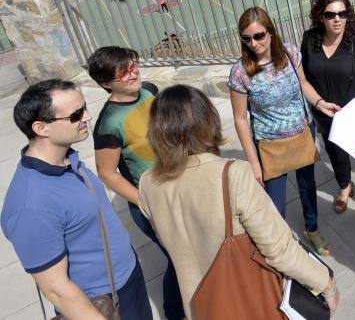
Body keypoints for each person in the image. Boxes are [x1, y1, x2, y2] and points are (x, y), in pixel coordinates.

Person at [139, 85, 339, 318]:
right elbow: (278, 248)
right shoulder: (233, 174)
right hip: (250, 301)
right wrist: (326, 283)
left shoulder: (146, 183)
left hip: (201, 308)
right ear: (207, 121)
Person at [1, 80, 152, 319]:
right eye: (76, 115)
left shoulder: (69, 160)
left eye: (84, 108)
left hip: (127, 279)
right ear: (41, 128)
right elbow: (56, 290)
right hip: (99, 303)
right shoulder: (30, 205)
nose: (88, 117)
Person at [229, 7, 340, 256]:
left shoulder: (290, 53)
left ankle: (312, 229)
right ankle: (281, 244)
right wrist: (254, 162)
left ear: (270, 32)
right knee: (274, 202)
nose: (253, 43)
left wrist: (321, 103)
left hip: (302, 132)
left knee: (307, 186)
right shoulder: (240, 72)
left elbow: (303, 84)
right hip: (270, 144)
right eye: (246, 38)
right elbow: (239, 119)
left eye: (259, 36)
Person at [86, 47, 185, 319]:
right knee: (179, 259)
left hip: (180, 187)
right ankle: (175, 312)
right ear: (106, 83)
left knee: (191, 251)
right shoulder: (108, 124)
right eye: (124, 71)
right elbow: (107, 173)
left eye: (134, 65)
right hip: (151, 202)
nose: (134, 73)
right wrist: (144, 201)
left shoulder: (150, 90)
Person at [301, 0, 355, 225]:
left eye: (343, 13)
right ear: (320, 16)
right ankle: (345, 186)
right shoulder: (310, 41)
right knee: (336, 155)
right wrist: (318, 103)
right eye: (330, 14)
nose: (337, 19)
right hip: (326, 115)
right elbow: (304, 77)